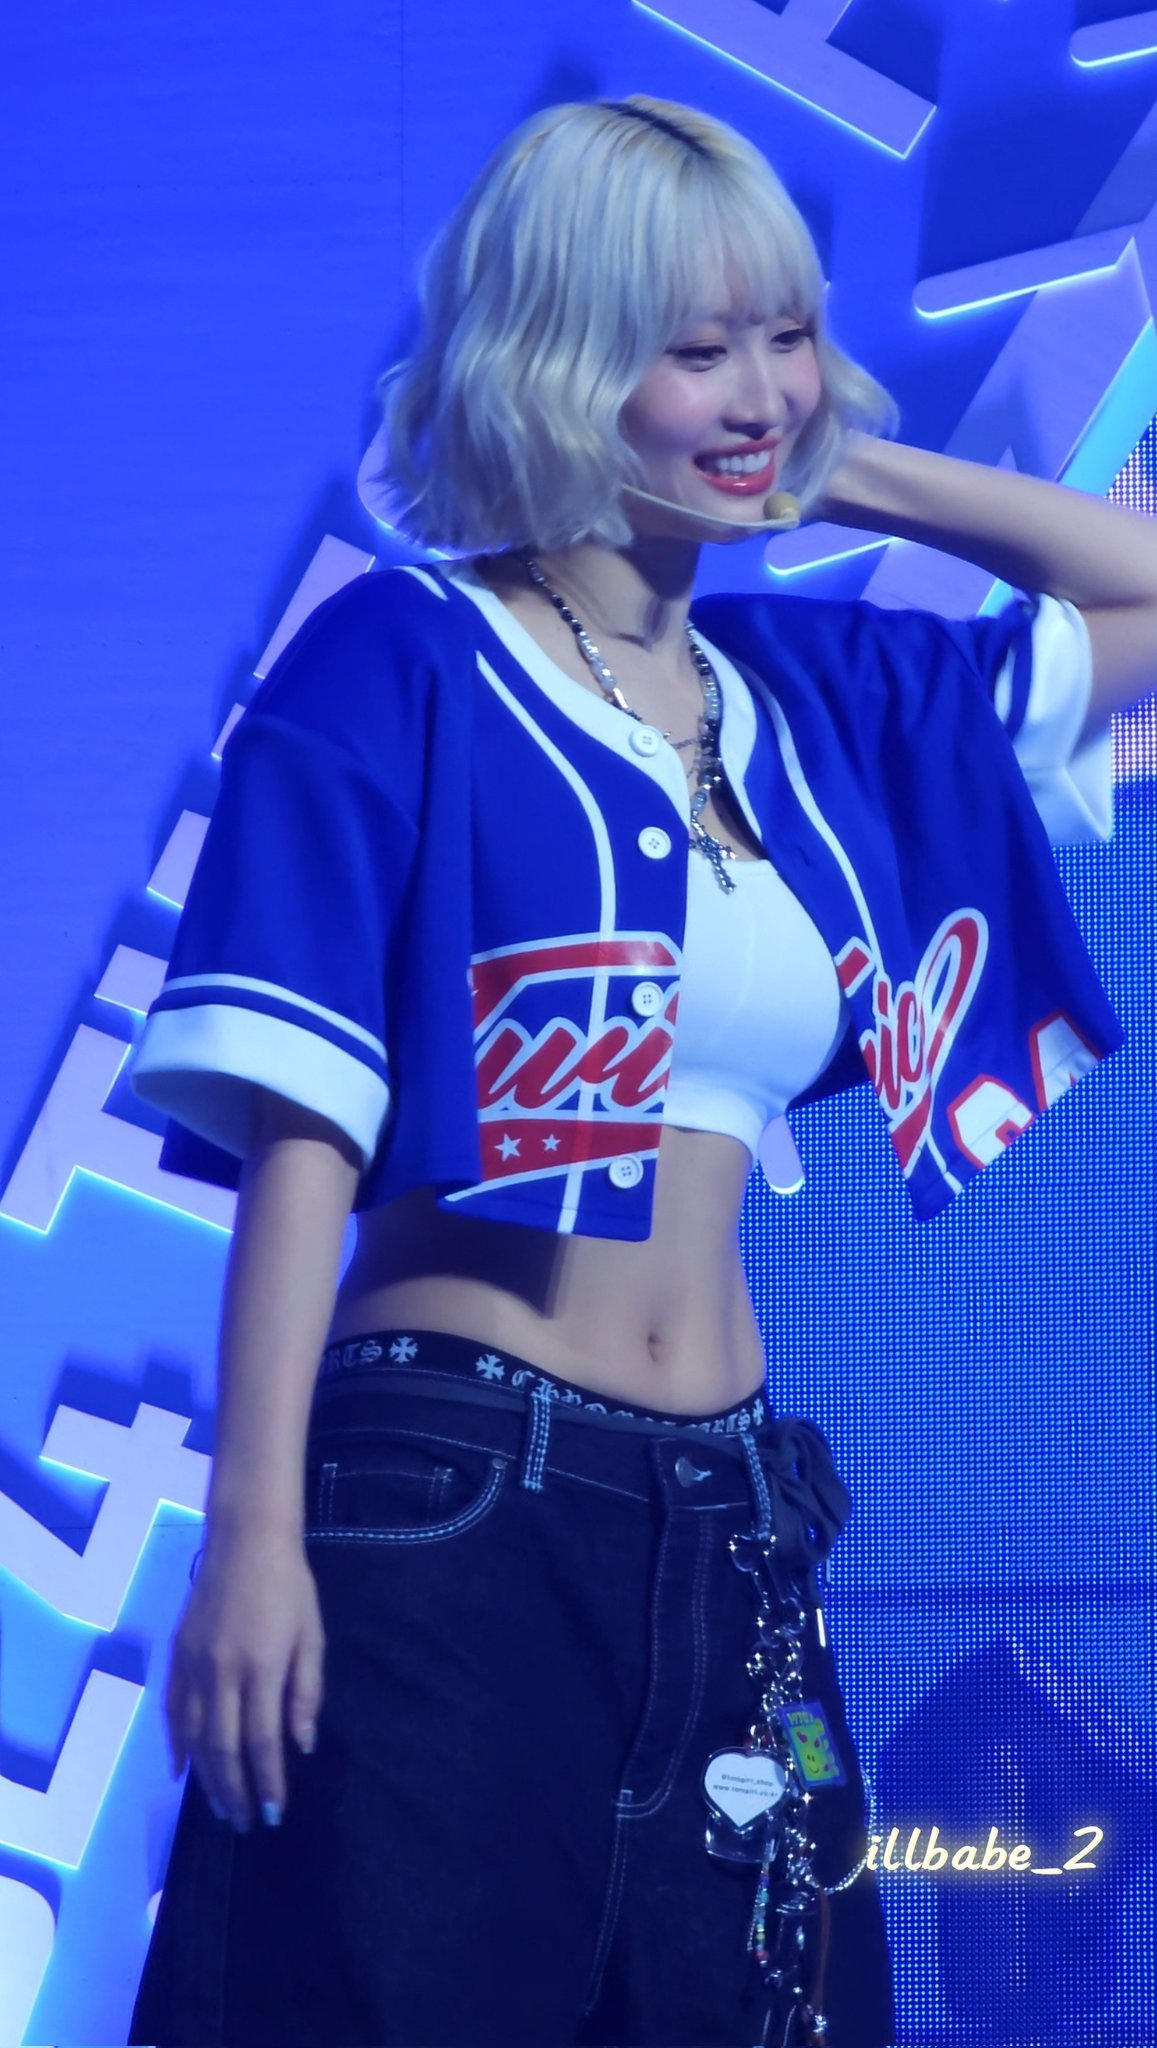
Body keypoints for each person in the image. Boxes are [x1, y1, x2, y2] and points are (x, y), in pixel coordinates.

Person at [123, 93, 1149, 2048]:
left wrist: (852, 471)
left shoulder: (818, 700)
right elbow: (302, 1138)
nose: (760, 391)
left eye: (788, 336)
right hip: (446, 1503)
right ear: (559, 366)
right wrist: (251, 1532)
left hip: (740, 1522)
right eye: (698, 350)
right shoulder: (399, 663)